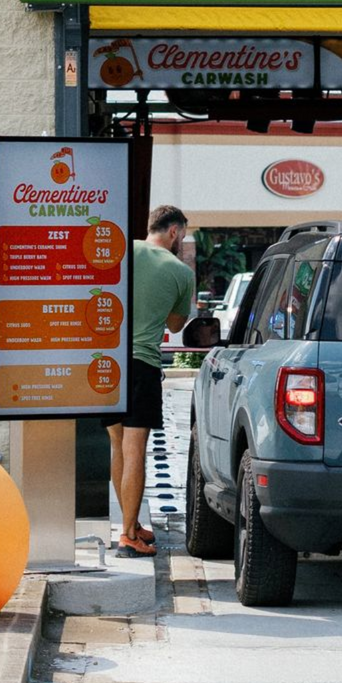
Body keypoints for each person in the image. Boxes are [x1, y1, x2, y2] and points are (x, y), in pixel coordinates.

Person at [108, 204, 195, 557]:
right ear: (173, 231)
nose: (182, 241)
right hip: (142, 363)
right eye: (184, 235)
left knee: (116, 445)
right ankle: (128, 533)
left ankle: (128, 523)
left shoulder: (121, 252)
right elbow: (175, 326)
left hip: (108, 362)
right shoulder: (180, 271)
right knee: (135, 450)